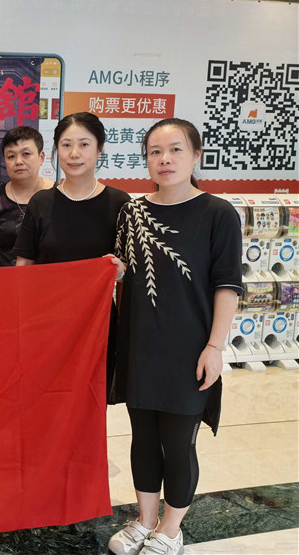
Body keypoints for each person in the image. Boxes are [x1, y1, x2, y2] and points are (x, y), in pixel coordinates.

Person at [108, 119, 241, 555]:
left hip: (190, 351)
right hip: (140, 347)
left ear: (196, 155)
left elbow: (227, 286)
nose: (164, 159)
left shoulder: (218, 213)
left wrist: (215, 347)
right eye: (155, 152)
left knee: (178, 444)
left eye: (176, 150)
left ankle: (170, 529)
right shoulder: (131, 212)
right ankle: (144, 520)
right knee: (143, 439)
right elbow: (123, 273)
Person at [12, 112, 129, 400]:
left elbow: (130, 268)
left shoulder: (120, 203)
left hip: (98, 328)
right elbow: (24, 266)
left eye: (84, 144)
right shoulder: (41, 202)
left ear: (99, 150)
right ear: (56, 151)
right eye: (66, 145)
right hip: (47, 326)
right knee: (46, 403)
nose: (74, 153)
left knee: (90, 404)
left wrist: (121, 270)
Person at [0, 126, 54, 267]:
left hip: (49, 278)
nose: (18, 161)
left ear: (41, 157)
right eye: (11, 156)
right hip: (3, 278)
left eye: (26, 154)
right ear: (4, 161)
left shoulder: (58, 195)